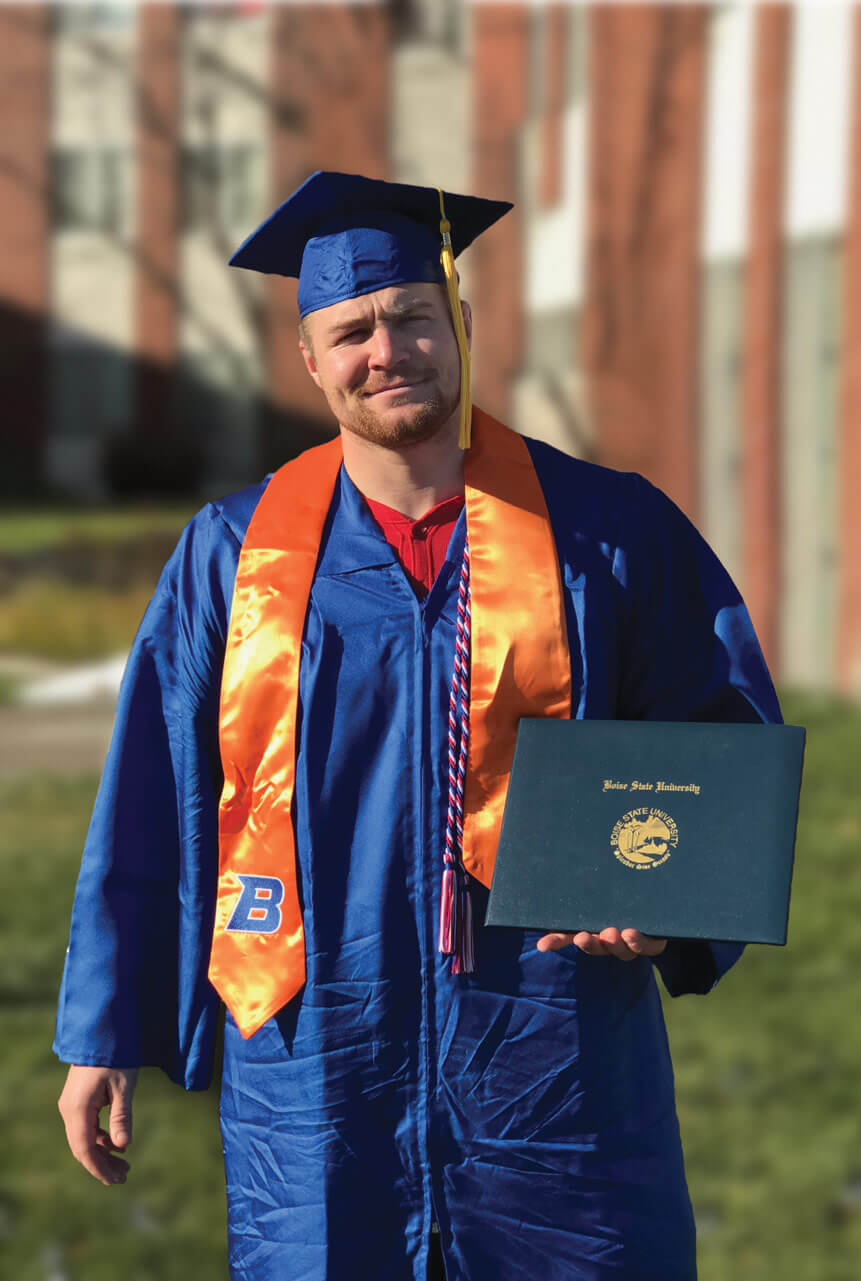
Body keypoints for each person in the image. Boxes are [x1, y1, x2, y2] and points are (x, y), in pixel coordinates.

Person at [55, 171, 781, 1281]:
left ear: (462, 327)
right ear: (310, 361)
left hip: (556, 1051)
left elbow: (718, 737)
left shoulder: (608, 531)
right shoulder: (234, 555)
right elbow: (151, 795)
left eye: (410, 317)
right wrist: (105, 1032)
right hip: (312, 1061)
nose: (384, 350)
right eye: (350, 331)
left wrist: (668, 907)